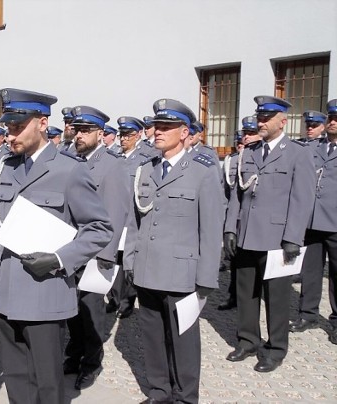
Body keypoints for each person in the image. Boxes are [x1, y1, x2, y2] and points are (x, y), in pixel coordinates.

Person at [0, 88, 113, 404]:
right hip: (7, 295)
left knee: (47, 387)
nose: (10, 134)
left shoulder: (69, 170)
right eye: (8, 127)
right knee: (17, 384)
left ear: (42, 123)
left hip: (46, 294)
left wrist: (58, 258)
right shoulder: (7, 167)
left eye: (17, 126)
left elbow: (99, 229)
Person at [133, 98, 223, 403]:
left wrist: (206, 278)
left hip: (181, 274)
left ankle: (185, 397)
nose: (157, 131)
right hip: (146, 269)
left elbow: (210, 229)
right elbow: (136, 221)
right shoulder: (146, 169)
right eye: (157, 126)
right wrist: (132, 259)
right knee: (152, 338)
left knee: (184, 341)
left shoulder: (203, 171)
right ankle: (160, 392)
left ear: (184, 132)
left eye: (166, 127)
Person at [224, 95, 315, 373]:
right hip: (247, 235)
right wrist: (230, 228)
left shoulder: (298, 153)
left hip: (277, 239)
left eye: (266, 119)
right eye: (259, 118)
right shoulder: (248, 153)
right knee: (246, 292)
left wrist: (293, 237)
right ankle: (247, 340)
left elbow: (303, 198)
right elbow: (236, 196)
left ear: (282, 121)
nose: (261, 123)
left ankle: (275, 348)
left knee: (276, 297)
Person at [63, 106, 134, 390]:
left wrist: (106, 254)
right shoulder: (70, 159)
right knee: (72, 308)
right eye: (76, 130)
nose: (79, 135)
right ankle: (73, 353)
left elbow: (116, 211)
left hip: (95, 251)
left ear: (100, 134)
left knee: (91, 311)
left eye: (85, 131)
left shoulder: (112, 164)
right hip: (70, 248)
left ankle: (91, 362)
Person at [290, 100, 337, 343]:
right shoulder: (313, 148)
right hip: (312, 220)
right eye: (330, 117)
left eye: (336, 119)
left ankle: (336, 321)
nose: (332, 122)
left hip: (336, 222)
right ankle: (307, 314)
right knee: (310, 271)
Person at [106, 116, 158, 318]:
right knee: (113, 259)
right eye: (122, 135)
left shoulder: (144, 158)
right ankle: (113, 297)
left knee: (128, 260)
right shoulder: (115, 155)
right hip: (114, 217)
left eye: (128, 135)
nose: (124, 139)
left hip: (131, 218)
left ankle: (128, 300)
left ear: (137, 135)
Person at [218, 117, 262, 311]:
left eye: (251, 133)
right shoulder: (234, 160)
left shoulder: (263, 158)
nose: (247, 138)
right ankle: (234, 296)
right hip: (237, 218)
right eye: (245, 134)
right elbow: (227, 190)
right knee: (237, 262)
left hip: (261, 220)